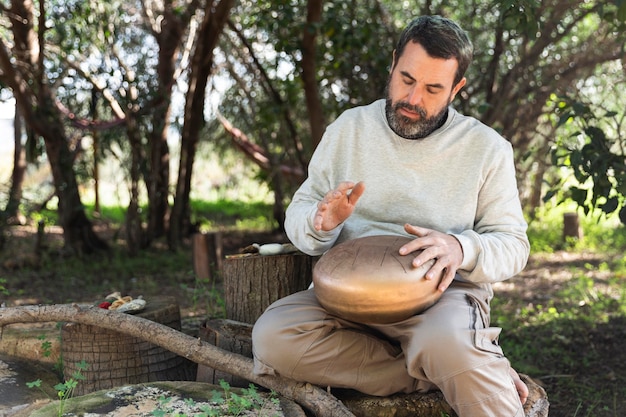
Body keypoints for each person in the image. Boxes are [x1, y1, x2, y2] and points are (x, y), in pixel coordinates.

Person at [252, 15, 530, 417]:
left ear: (457, 88)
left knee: (446, 344)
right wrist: (321, 222)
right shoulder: (349, 128)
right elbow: (301, 211)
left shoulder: (487, 148)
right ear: (393, 64)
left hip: (442, 296)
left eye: (434, 88)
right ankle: (450, 369)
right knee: (273, 338)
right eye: (407, 79)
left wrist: (460, 247)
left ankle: (456, 359)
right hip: (345, 298)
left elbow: (513, 245)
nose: (413, 99)